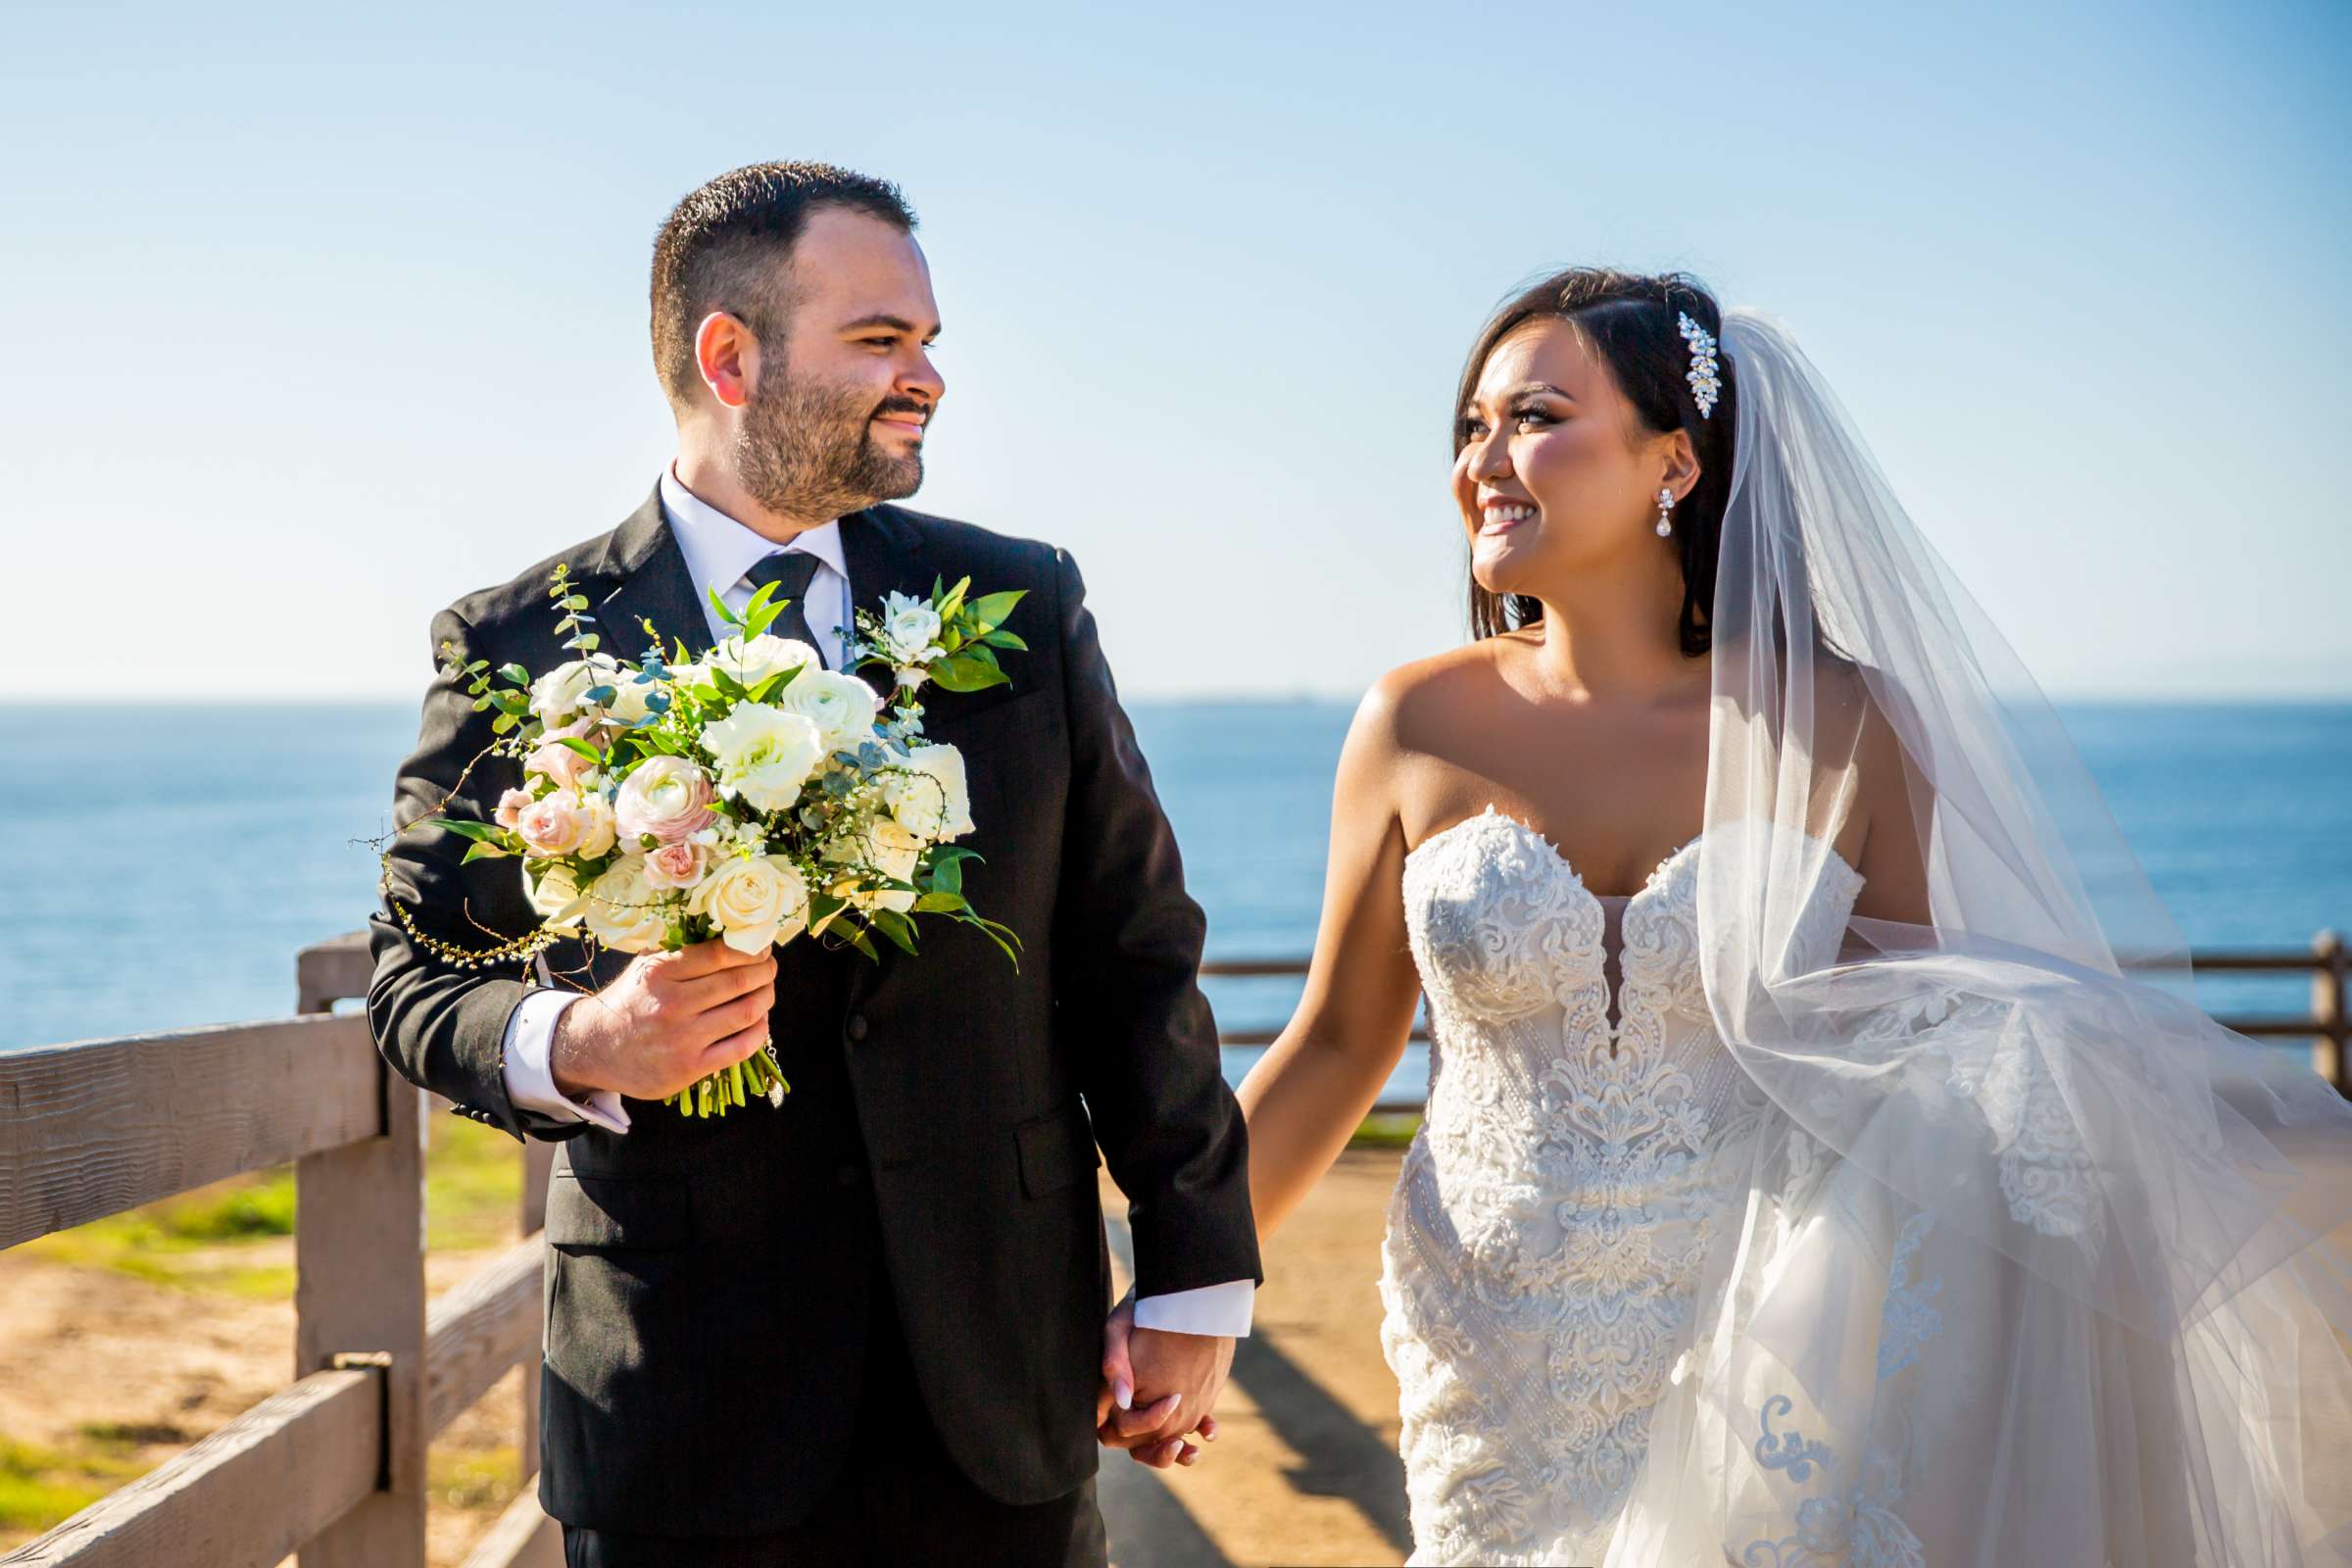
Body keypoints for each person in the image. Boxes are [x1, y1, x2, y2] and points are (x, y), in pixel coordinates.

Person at [1221, 267, 2352, 1564]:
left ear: (1675, 464)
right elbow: (1332, 1047)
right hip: (1490, 1347)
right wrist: (1182, 1287)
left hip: (1762, 1346)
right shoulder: (1413, 724)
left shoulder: (1846, 729)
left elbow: (1941, 1058)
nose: (1484, 460)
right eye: (1471, 427)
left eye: (1533, 415)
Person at [367, 161, 1258, 1567]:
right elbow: (418, 974)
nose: (927, 379)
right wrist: (579, 1039)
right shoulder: (521, 641)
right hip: (681, 1406)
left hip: (994, 1376)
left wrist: (1197, 1269)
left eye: (929, 342)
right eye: (880, 341)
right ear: (731, 356)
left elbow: (1130, 949)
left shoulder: (1019, 602)